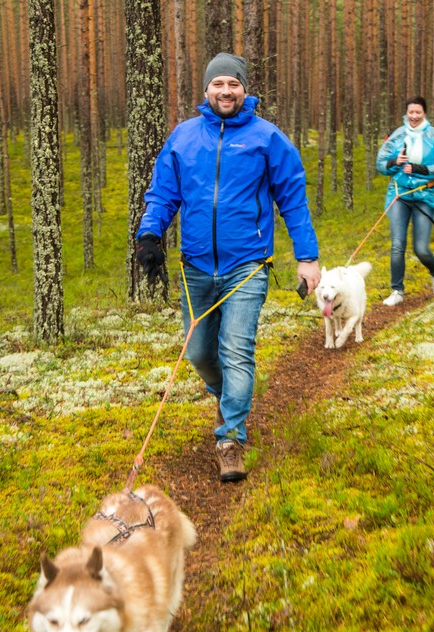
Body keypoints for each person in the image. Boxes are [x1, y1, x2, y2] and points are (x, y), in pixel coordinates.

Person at [135, 53, 321, 483]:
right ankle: (227, 396)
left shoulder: (267, 138)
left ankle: (230, 438)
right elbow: (163, 193)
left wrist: (307, 258)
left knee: (237, 350)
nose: (225, 91)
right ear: (206, 91)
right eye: (217, 84)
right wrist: (149, 236)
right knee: (199, 352)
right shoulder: (183, 138)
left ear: (244, 90)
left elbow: (293, 200)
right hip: (196, 267)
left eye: (232, 85)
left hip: (247, 266)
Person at [376, 96, 434, 306]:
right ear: (406, 113)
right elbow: (381, 164)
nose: (414, 116)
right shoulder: (397, 136)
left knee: (420, 248)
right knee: (397, 245)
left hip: (425, 196)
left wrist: (422, 169)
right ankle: (397, 291)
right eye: (411, 112)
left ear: (424, 114)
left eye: (418, 112)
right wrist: (395, 162)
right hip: (399, 195)